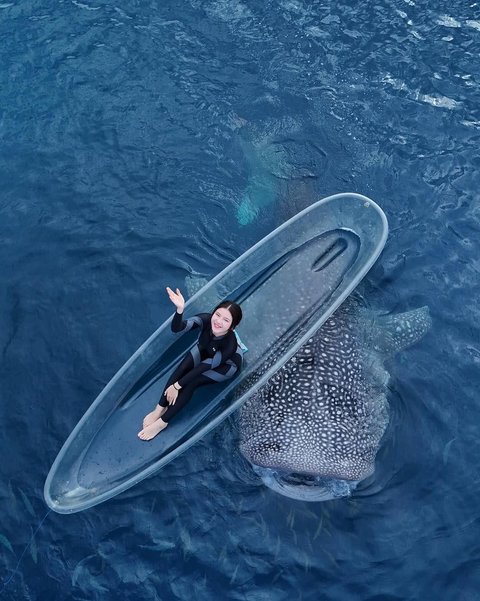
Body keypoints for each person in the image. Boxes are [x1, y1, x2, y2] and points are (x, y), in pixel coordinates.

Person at [138, 287, 244, 440]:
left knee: (192, 382)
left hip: (225, 365)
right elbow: (177, 328)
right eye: (218, 314)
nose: (218, 321)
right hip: (206, 350)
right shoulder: (207, 319)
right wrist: (180, 310)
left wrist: (177, 386)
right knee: (182, 366)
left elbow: (204, 367)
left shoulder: (230, 345)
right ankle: (159, 409)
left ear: (233, 326)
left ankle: (162, 422)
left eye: (226, 320)